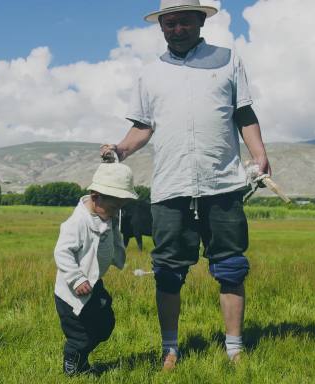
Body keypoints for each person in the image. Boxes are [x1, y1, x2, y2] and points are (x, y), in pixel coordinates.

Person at [101, 0, 272, 370]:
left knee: (230, 267)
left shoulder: (228, 59)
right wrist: (120, 149)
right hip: (171, 187)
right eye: (170, 23)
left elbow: (244, 112)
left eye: (184, 22)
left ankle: (234, 348)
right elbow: (142, 127)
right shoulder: (150, 75)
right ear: (161, 26)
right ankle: (170, 350)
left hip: (223, 184)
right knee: (167, 272)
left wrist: (259, 154)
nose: (177, 29)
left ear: (200, 21)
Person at [53, 162, 138, 376]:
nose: (113, 214)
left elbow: (113, 238)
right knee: (80, 333)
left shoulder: (105, 214)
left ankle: (81, 359)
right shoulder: (77, 222)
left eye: (118, 209)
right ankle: (73, 363)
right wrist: (76, 279)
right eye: (112, 209)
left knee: (105, 324)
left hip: (93, 283)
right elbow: (62, 252)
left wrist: (119, 257)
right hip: (72, 291)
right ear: (95, 195)